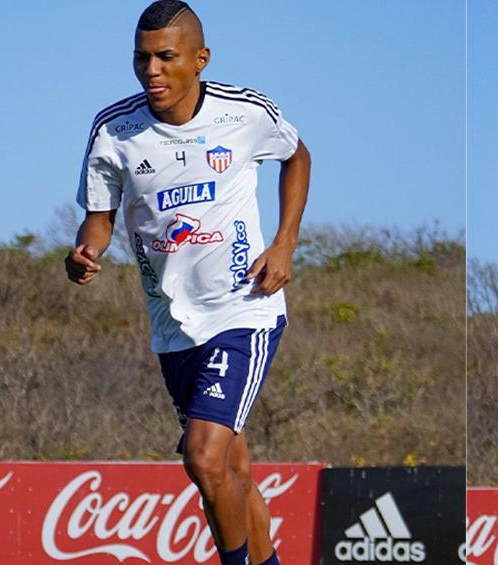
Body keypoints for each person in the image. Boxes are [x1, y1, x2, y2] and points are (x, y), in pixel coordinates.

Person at [65, 2, 310, 564]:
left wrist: (284, 243)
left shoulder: (245, 113)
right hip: (173, 324)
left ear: (199, 59)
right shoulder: (114, 129)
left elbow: (297, 157)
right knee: (231, 471)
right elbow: (99, 218)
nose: (151, 70)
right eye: (141, 58)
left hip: (244, 308)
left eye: (166, 57)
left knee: (202, 457)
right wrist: (86, 252)